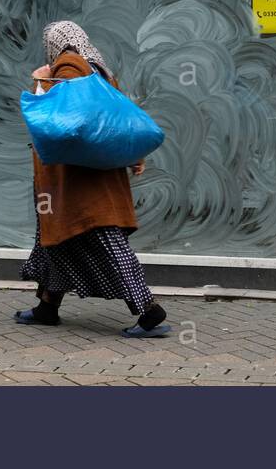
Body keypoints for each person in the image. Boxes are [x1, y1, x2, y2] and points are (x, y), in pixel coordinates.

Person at [15, 20, 171, 338]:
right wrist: (132, 156)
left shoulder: (69, 65)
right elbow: (115, 122)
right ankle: (48, 307)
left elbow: (69, 120)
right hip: (78, 179)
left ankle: (149, 311)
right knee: (54, 243)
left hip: (79, 182)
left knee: (106, 241)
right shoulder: (99, 70)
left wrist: (42, 83)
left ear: (56, 43)